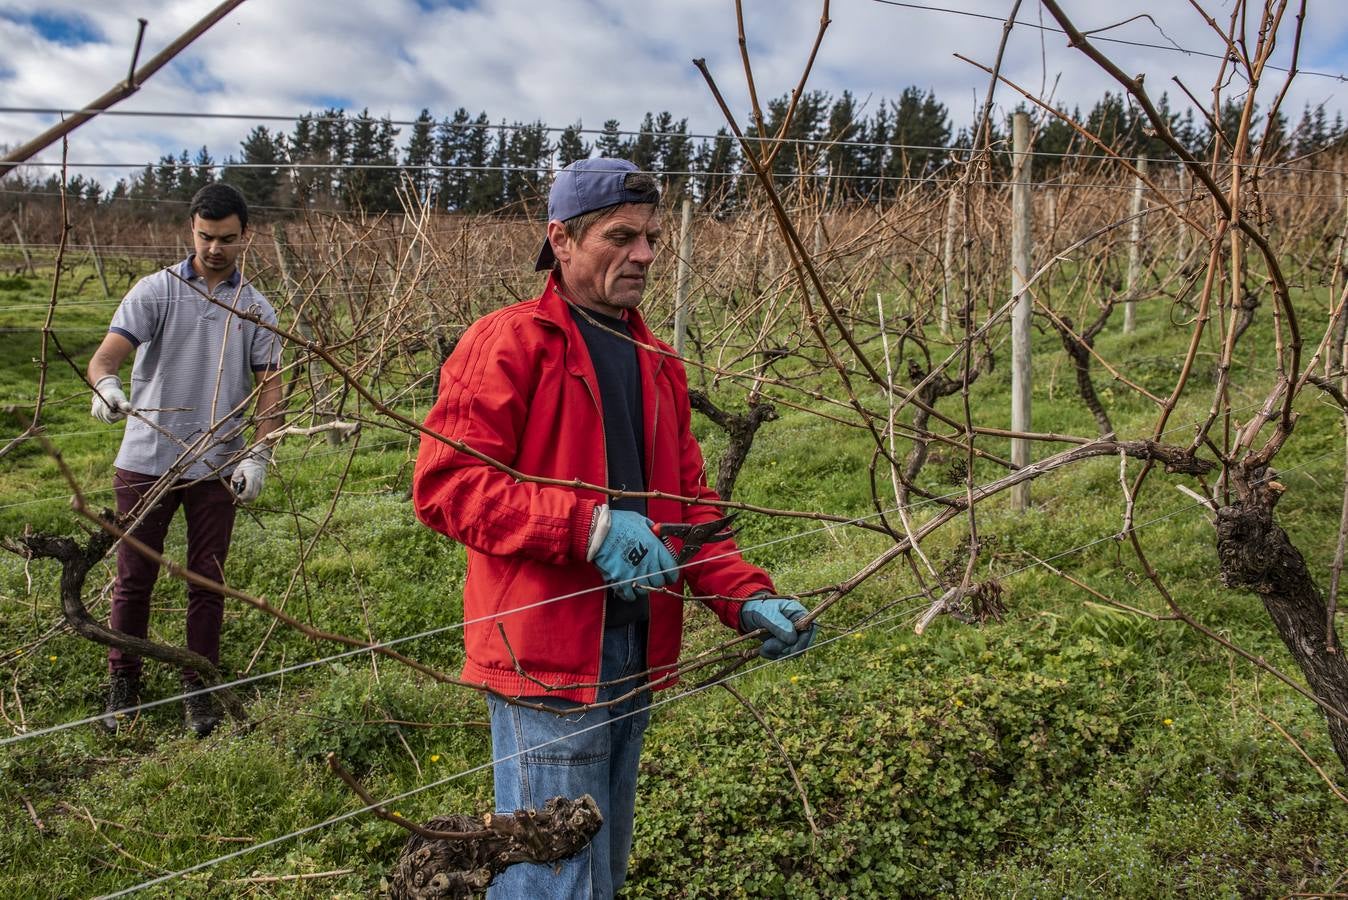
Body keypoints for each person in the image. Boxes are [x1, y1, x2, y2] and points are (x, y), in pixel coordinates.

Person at [412, 158, 815, 898]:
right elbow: (447, 485)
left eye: (652, 238)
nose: (645, 255)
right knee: (550, 872)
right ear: (561, 240)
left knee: (601, 860)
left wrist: (746, 598)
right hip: (547, 654)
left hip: (634, 644)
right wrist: (587, 529)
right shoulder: (508, 342)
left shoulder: (656, 358)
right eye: (621, 236)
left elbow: (690, 508)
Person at [87, 182, 283, 738]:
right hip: (146, 459)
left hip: (217, 464)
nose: (214, 248)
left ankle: (199, 686)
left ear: (245, 236)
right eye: (204, 236)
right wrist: (105, 386)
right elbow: (105, 356)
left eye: (225, 239)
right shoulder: (157, 291)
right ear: (190, 230)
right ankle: (123, 683)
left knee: (208, 581)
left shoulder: (255, 308)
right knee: (134, 579)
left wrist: (260, 453)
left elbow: (272, 388)